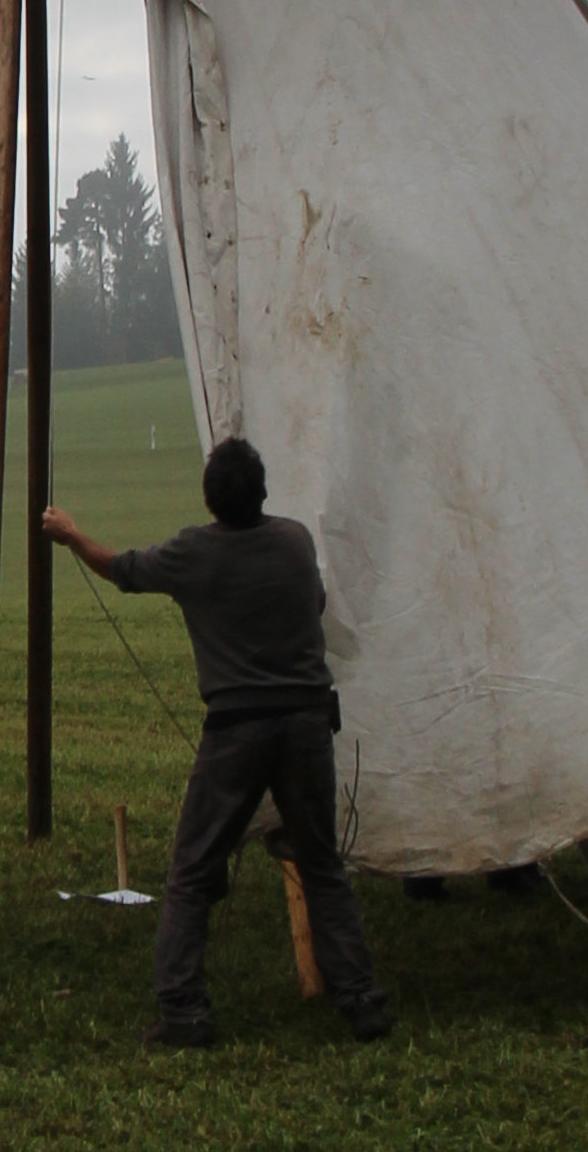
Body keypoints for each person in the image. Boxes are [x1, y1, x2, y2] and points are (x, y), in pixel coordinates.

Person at [43, 437, 390, 1048]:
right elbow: (315, 603)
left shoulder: (193, 552)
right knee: (321, 863)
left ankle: (184, 1010)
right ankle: (361, 1000)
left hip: (236, 728)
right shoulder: (294, 542)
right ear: (262, 491)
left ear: (210, 498)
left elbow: (122, 570)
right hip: (308, 722)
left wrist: (71, 535)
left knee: (193, 869)